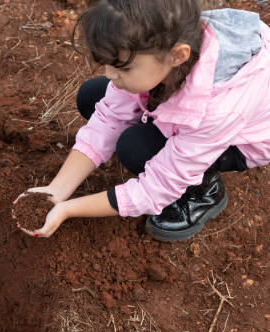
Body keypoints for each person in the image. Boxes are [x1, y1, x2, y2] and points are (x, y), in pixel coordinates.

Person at [14, 0, 270, 241]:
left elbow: (155, 188)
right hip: (192, 104)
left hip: (243, 140)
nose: (109, 74)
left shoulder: (220, 108)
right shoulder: (157, 37)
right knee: (92, 95)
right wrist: (56, 191)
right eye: (108, 63)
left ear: (177, 56)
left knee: (135, 148)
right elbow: (110, 117)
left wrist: (68, 209)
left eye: (123, 67)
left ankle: (204, 192)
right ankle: (157, 125)